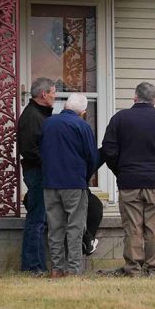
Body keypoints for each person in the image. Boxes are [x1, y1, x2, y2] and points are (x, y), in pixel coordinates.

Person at [100, 82, 155, 276]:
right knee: (154, 229)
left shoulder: (120, 119)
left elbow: (108, 149)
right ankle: (154, 268)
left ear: (135, 97)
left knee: (133, 228)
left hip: (129, 181)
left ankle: (133, 269)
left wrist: (120, 170)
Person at [40, 93, 99, 277]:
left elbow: (41, 152)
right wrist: (85, 177)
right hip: (74, 182)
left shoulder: (48, 124)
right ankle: (73, 269)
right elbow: (92, 157)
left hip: (50, 182)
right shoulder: (82, 126)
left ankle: (56, 269)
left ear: (65, 106)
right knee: (75, 227)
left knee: (54, 228)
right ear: (83, 111)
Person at [17, 77, 56, 273]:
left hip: (40, 171)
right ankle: (33, 266)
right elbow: (30, 149)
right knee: (37, 220)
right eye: (53, 93)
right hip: (37, 173)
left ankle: (36, 265)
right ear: (44, 94)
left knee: (40, 219)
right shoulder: (32, 117)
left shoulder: (41, 115)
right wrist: (50, 162)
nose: (54, 97)